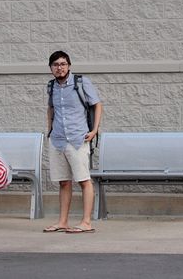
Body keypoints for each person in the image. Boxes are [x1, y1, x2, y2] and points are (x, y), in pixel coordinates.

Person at [43, 50, 102, 233]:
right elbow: (51, 109)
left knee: (84, 180)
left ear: (68, 65)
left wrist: (94, 131)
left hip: (78, 138)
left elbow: (97, 104)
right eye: (55, 65)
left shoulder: (81, 82)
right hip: (58, 140)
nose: (59, 68)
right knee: (63, 181)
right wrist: (50, 130)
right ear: (51, 68)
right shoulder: (51, 86)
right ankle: (63, 221)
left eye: (62, 64)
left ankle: (86, 222)